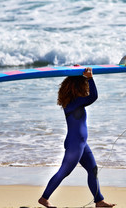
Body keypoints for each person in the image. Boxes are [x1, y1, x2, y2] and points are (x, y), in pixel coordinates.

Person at [38, 67, 116, 208]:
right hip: (75, 144)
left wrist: (82, 73)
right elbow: (93, 96)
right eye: (84, 84)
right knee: (64, 172)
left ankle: (99, 201)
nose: (85, 87)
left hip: (81, 144)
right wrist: (90, 78)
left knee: (93, 169)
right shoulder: (73, 103)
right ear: (78, 86)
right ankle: (44, 198)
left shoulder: (74, 102)